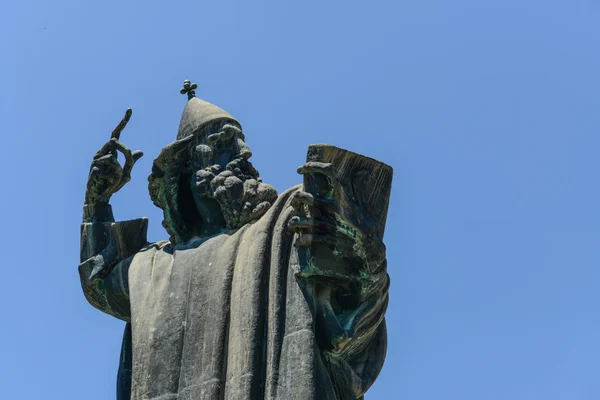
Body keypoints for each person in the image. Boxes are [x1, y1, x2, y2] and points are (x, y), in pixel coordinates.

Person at [79, 81, 390, 400]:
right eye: (225, 141)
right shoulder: (152, 267)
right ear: (187, 166)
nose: (244, 153)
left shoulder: (290, 219)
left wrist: (366, 255)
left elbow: (344, 326)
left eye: (241, 141)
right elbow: (101, 283)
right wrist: (97, 201)